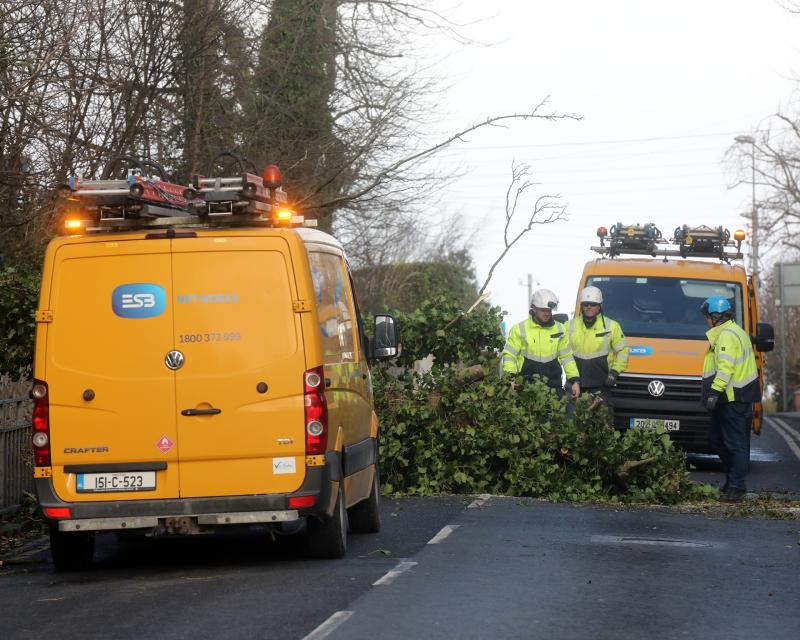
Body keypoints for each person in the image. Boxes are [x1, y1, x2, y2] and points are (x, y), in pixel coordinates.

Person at [701, 295, 761, 502]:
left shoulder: (726, 335)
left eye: (707, 317)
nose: (706, 321)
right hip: (732, 397)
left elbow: (726, 368)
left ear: (716, 316)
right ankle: (733, 481)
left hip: (733, 398)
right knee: (717, 440)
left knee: (735, 444)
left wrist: (714, 393)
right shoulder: (733, 332)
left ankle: (736, 486)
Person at [501, 288, 580, 399]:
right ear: (534, 308)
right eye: (543, 310)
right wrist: (510, 377)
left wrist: (574, 380)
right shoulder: (519, 329)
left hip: (554, 387)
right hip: (526, 386)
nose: (547, 313)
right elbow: (509, 355)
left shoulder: (560, 329)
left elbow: (567, 357)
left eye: (549, 310)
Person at [567, 286, 628, 413]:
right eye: (586, 304)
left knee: (601, 425)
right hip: (574, 384)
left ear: (599, 306)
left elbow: (623, 351)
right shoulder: (568, 326)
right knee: (570, 425)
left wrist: (615, 372)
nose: (589, 307)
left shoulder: (612, 326)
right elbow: (560, 352)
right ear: (581, 305)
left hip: (601, 385)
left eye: (593, 304)